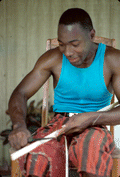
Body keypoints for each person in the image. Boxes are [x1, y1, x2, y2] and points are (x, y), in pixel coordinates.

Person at [8, 8, 120, 177]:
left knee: (90, 151)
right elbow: (20, 93)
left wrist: (90, 118)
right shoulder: (52, 59)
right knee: (38, 157)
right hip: (60, 124)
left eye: (75, 44)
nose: (68, 52)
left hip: (96, 124)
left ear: (91, 35)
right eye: (61, 44)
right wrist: (18, 125)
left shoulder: (112, 60)